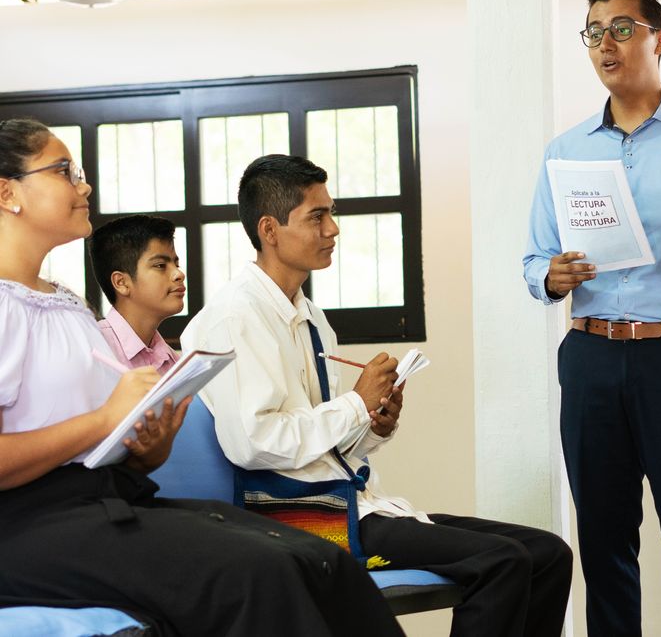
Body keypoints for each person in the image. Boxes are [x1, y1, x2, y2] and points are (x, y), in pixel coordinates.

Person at [0, 118, 405, 637]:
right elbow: (81, 432)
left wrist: (148, 442)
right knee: (258, 574)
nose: (84, 184)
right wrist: (106, 418)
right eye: (63, 171)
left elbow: (104, 442)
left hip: (102, 500)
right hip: (26, 526)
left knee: (319, 557)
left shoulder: (66, 304)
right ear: (9, 192)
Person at [182, 153, 573, 637]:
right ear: (269, 229)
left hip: (353, 497)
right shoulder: (233, 318)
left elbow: (323, 442)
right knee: (502, 562)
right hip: (304, 514)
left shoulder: (310, 317)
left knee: (549, 554)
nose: (333, 230)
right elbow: (254, 442)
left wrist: (371, 426)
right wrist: (355, 405)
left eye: (332, 213)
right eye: (317, 216)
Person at [522, 0, 661, 637]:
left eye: (621, 28)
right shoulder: (565, 150)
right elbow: (534, 260)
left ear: (659, 38)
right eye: (593, 31)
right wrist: (553, 275)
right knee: (604, 539)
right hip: (589, 354)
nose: (605, 43)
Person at [90, 214, 186, 375]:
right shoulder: (93, 349)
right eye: (161, 265)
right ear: (121, 283)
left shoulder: (172, 361)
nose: (179, 274)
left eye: (176, 264)